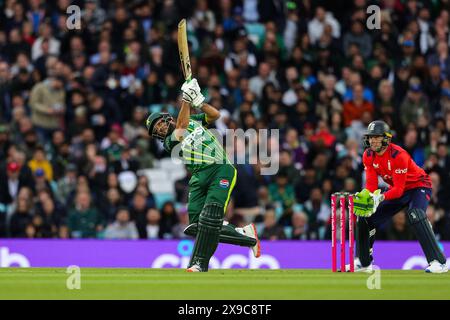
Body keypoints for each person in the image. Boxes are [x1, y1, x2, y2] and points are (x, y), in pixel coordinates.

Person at [145, 78, 260, 272]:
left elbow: (214, 115)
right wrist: (186, 100)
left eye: (160, 125)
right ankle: (246, 236)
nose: (160, 130)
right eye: (156, 131)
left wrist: (199, 102)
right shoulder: (169, 142)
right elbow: (181, 129)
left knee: (210, 217)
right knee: (196, 226)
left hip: (220, 168)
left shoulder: (193, 120)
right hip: (198, 177)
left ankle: (198, 263)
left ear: (166, 118)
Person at [352, 120, 447, 273]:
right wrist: (368, 197)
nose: (373, 141)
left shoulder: (398, 155)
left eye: (377, 137)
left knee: (415, 214)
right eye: (371, 137)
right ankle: (363, 262)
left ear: (386, 139)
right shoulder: (368, 155)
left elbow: (398, 190)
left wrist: (381, 198)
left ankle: (439, 262)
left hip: (419, 186)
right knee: (365, 215)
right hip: (398, 190)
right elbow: (371, 186)